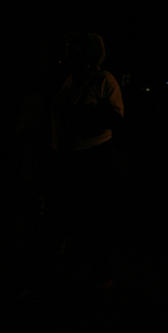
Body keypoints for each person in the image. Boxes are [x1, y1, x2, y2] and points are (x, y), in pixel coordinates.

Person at [44, 31, 123, 291]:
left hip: (92, 157)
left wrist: (82, 116)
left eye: (73, 51)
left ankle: (102, 276)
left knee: (94, 217)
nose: (67, 56)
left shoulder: (103, 79)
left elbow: (114, 118)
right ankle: (42, 274)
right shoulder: (70, 80)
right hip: (66, 156)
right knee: (56, 216)